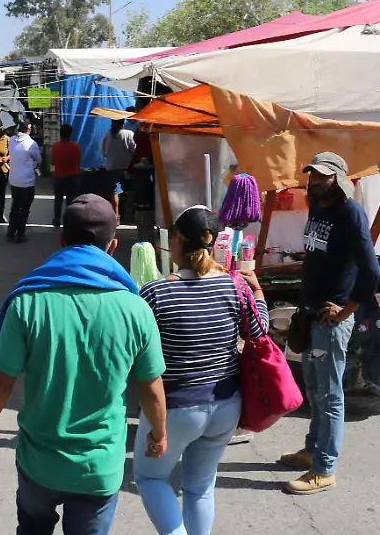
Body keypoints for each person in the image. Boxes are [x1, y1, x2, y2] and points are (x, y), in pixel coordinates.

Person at [0, 194, 169, 535]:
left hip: (40, 466)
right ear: (112, 246)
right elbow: (151, 389)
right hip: (99, 468)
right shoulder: (135, 309)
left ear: (62, 240)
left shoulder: (28, 303)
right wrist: (158, 434)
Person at [134, 207, 269, 535]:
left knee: (151, 478)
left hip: (177, 408)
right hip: (225, 406)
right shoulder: (235, 286)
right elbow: (260, 331)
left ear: (176, 241)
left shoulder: (155, 293)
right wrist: (259, 291)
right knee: (200, 487)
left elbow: (133, 350)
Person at [280, 151, 379, 495]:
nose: (314, 180)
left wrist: (346, 311)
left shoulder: (350, 213)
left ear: (338, 178)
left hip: (330, 322)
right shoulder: (317, 206)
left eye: (322, 176)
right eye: (312, 175)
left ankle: (325, 468)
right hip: (310, 315)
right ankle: (312, 449)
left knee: (330, 393)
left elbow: (371, 270)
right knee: (313, 388)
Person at [6, 121, 41, 243]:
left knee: (15, 205)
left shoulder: (12, 140)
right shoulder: (32, 143)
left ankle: (11, 230)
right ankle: (20, 233)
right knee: (24, 209)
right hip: (26, 181)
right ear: (29, 130)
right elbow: (39, 159)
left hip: (14, 180)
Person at [101, 118, 137, 219]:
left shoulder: (107, 135)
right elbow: (135, 150)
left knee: (115, 193)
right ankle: (130, 215)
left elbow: (103, 152)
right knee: (131, 191)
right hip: (127, 168)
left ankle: (116, 215)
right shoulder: (129, 134)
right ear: (122, 123)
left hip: (112, 167)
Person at [50, 124, 82, 228]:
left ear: (60, 133)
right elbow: (78, 162)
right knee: (71, 200)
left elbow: (52, 162)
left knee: (58, 199)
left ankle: (57, 219)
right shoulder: (76, 147)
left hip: (59, 176)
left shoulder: (55, 146)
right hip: (72, 176)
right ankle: (69, 220)